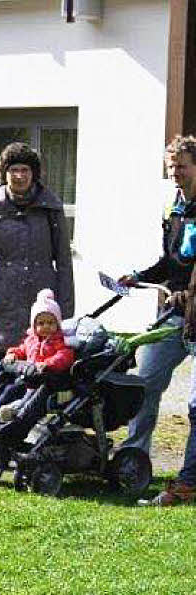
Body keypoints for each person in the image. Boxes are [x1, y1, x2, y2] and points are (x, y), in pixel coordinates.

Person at [116, 136, 196, 494]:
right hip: (175, 313)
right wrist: (140, 276)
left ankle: (190, 479)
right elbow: (171, 260)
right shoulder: (174, 207)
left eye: (181, 166)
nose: (175, 173)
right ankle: (133, 461)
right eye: (171, 167)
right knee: (144, 384)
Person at [0, 142, 74, 372]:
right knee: (3, 370)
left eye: (24, 170)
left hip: (42, 303)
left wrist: (65, 309)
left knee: (41, 370)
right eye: (13, 170)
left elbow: (64, 261)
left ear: (33, 173)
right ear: (4, 174)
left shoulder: (50, 207)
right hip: (1, 301)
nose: (19, 176)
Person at [0, 289, 74, 421]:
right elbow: (21, 350)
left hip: (43, 382)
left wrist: (48, 363)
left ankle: (9, 412)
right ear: (34, 325)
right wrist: (12, 354)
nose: (46, 326)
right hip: (26, 378)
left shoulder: (59, 341)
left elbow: (64, 356)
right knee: (10, 390)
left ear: (57, 324)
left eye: (50, 323)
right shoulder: (31, 340)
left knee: (27, 400)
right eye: (41, 323)